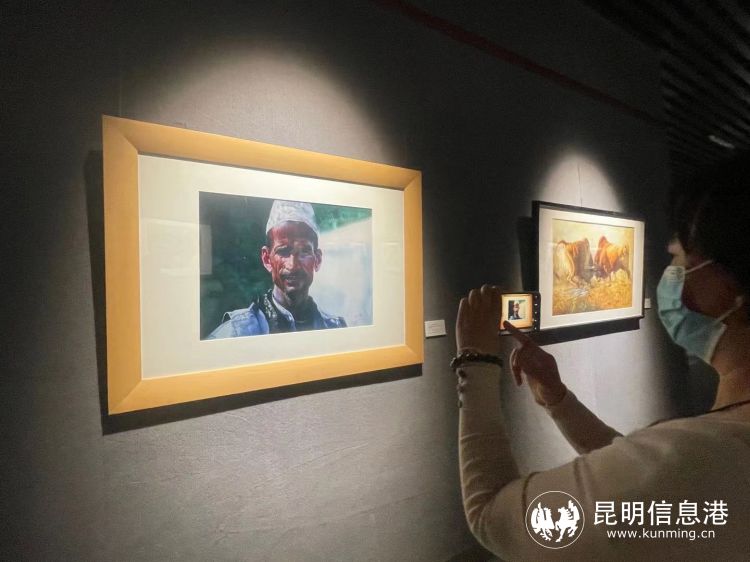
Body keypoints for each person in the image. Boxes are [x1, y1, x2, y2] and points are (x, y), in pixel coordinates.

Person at [453, 155, 750, 559]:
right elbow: (645, 475)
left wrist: (475, 360)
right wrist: (559, 401)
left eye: (680, 259)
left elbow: (493, 517)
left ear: (728, 287)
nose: (671, 272)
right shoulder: (704, 457)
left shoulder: (698, 459)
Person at [208, 200, 346, 338]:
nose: (293, 265)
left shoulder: (335, 330)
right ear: (267, 259)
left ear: (317, 260)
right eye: (283, 251)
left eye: (304, 251)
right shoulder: (237, 332)